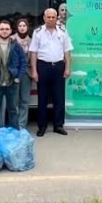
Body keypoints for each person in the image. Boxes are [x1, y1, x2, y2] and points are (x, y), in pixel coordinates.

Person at [29, 8, 73, 137]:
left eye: (53, 17)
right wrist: (34, 71)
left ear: (57, 18)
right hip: (43, 66)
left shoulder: (63, 31)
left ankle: (58, 125)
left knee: (59, 98)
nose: (51, 19)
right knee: (42, 98)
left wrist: (67, 68)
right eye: (49, 17)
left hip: (58, 66)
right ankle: (41, 126)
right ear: (44, 18)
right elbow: (33, 52)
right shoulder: (38, 32)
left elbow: (67, 51)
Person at [0, 20, 27, 130]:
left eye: (7, 29)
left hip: (12, 83)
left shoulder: (15, 45)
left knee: (13, 111)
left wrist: (18, 77)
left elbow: (23, 61)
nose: (4, 31)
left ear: (11, 31)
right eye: (2, 29)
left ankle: (15, 136)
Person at [13, 18, 33, 129]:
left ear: (27, 27)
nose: (22, 27)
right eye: (20, 25)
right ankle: (15, 124)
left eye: (24, 26)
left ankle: (22, 125)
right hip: (15, 73)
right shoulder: (12, 39)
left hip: (26, 73)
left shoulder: (32, 40)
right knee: (14, 100)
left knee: (24, 100)